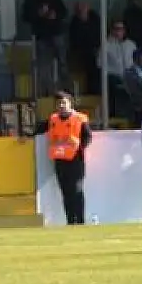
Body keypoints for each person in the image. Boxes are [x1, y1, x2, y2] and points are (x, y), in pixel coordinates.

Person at [46, 91, 92, 226]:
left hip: (76, 160)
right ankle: (70, 221)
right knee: (65, 192)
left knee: (77, 190)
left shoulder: (80, 118)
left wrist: (79, 146)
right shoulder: (53, 119)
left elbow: (87, 136)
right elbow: (42, 128)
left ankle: (80, 220)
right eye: (58, 103)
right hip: (59, 159)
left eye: (63, 102)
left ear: (70, 103)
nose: (61, 105)